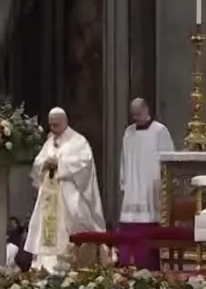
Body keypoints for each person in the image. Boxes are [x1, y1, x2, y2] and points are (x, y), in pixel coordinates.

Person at [25, 108, 105, 271]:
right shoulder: (49, 142)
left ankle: (70, 263)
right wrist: (46, 164)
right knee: (46, 231)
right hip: (49, 194)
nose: (53, 129)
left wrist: (59, 164)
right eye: (51, 125)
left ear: (65, 121)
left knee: (71, 223)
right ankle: (45, 266)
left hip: (68, 194)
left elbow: (83, 164)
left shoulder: (78, 141)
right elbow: (38, 163)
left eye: (56, 125)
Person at [117, 98, 175, 269]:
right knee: (129, 224)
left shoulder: (160, 131)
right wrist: (124, 181)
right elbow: (124, 158)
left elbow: (168, 158)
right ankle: (127, 263)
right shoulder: (129, 132)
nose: (136, 118)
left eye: (138, 114)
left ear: (146, 110)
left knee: (148, 223)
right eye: (133, 114)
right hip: (133, 183)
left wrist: (162, 183)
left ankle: (148, 264)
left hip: (151, 183)